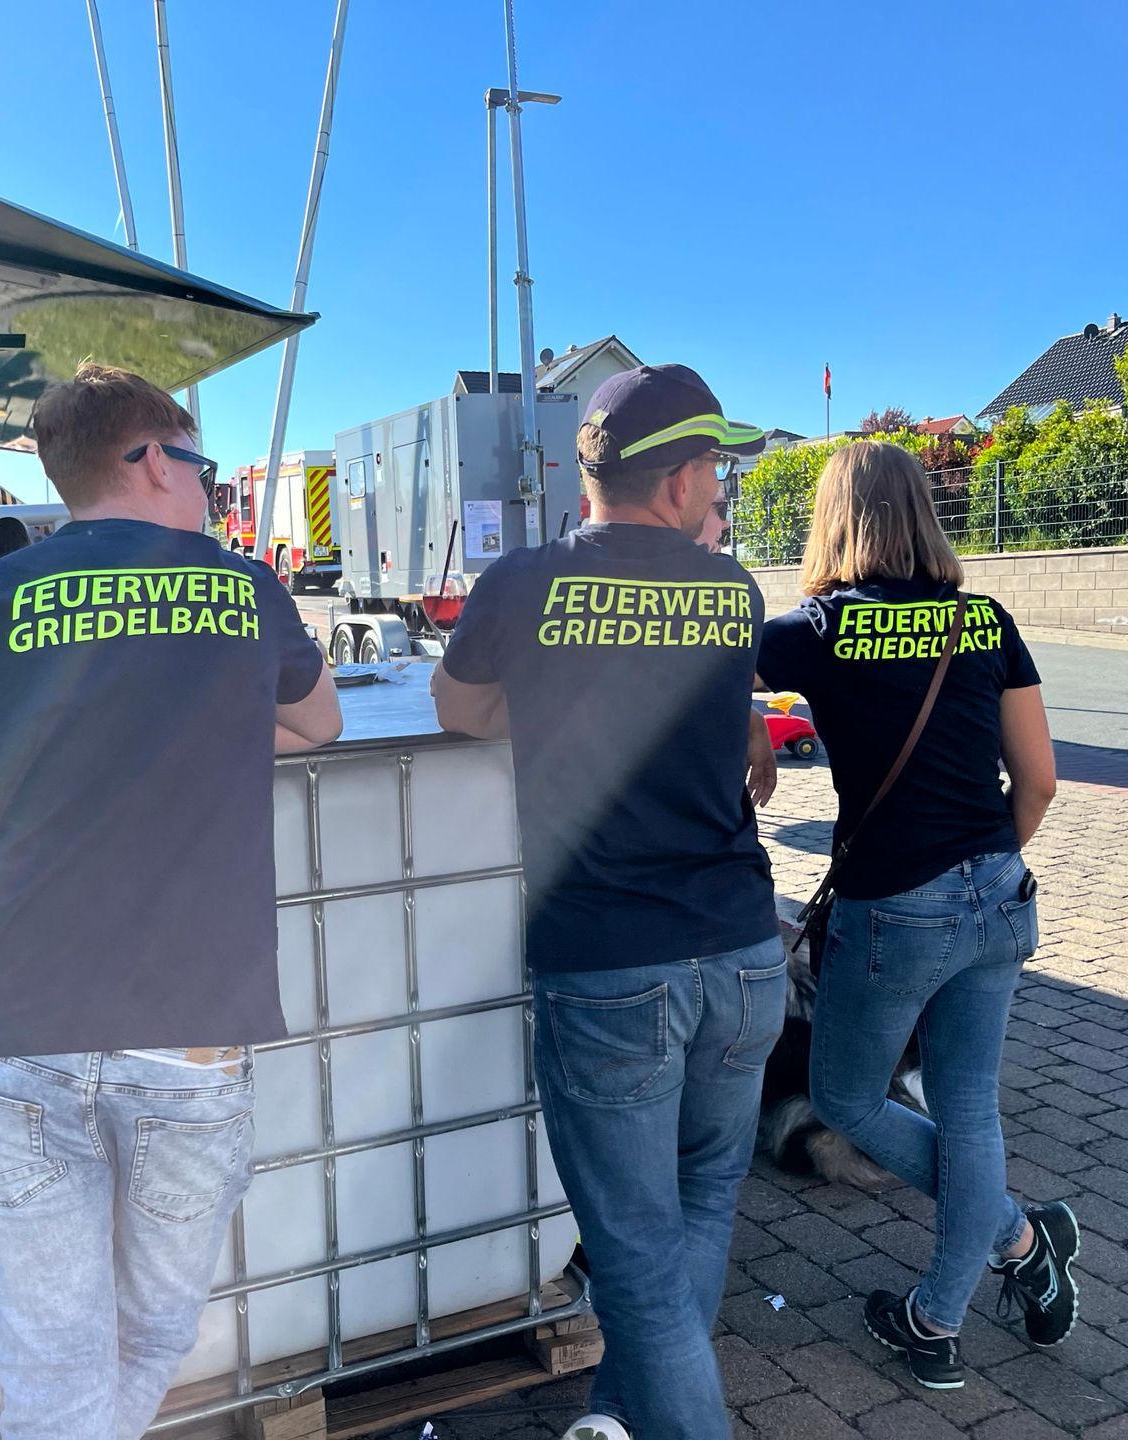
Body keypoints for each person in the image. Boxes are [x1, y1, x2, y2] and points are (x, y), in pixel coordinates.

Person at [0, 364, 341, 1440]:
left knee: (52, 1377)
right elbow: (322, 723)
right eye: (199, 463)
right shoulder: (243, 587)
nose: (206, 485)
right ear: (152, 461)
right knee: (151, 1338)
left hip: (19, 1025)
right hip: (190, 1035)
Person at [432, 364, 783, 1440]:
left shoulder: (521, 583)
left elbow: (458, 711)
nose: (719, 484)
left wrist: (547, 695)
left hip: (608, 964)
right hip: (743, 954)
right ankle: (625, 1414)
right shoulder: (732, 590)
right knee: (699, 1202)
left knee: (634, 1256)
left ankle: (649, 1415)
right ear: (677, 482)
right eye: (714, 466)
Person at [755, 441, 1073, 1391]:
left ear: (833, 520)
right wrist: (985, 862)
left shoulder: (815, 629)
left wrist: (751, 738)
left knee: (847, 1098)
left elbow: (704, 663)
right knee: (969, 1107)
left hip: (895, 909)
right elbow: (1040, 781)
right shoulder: (985, 620)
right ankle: (971, 1286)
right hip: (1001, 893)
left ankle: (1007, 1247)